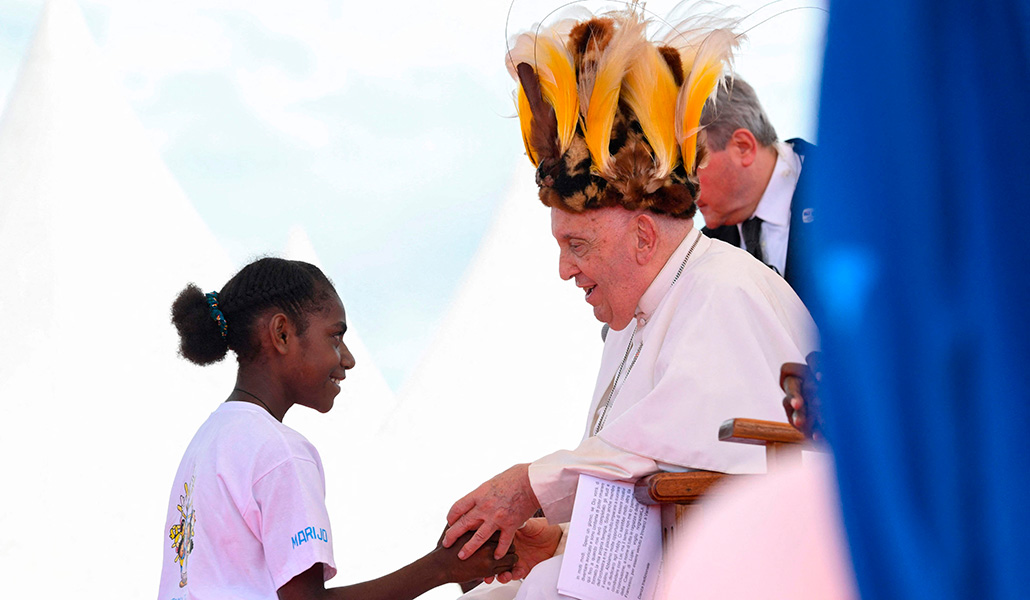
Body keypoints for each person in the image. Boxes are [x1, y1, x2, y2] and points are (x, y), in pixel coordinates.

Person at [442, 8, 818, 599]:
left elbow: (706, 470)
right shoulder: (632, 321)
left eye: (577, 244)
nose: (564, 268)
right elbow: (657, 478)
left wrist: (533, 485)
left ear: (644, 236)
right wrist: (564, 538)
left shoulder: (725, 292)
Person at [158, 257, 517, 600]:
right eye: (335, 336)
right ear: (282, 334)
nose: (347, 358)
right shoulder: (279, 451)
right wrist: (440, 568)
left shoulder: (207, 441)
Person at [697, 77, 817, 306]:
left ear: (743, 147)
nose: (683, 184)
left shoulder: (849, 195)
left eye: (692, 165)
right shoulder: (701, 249)